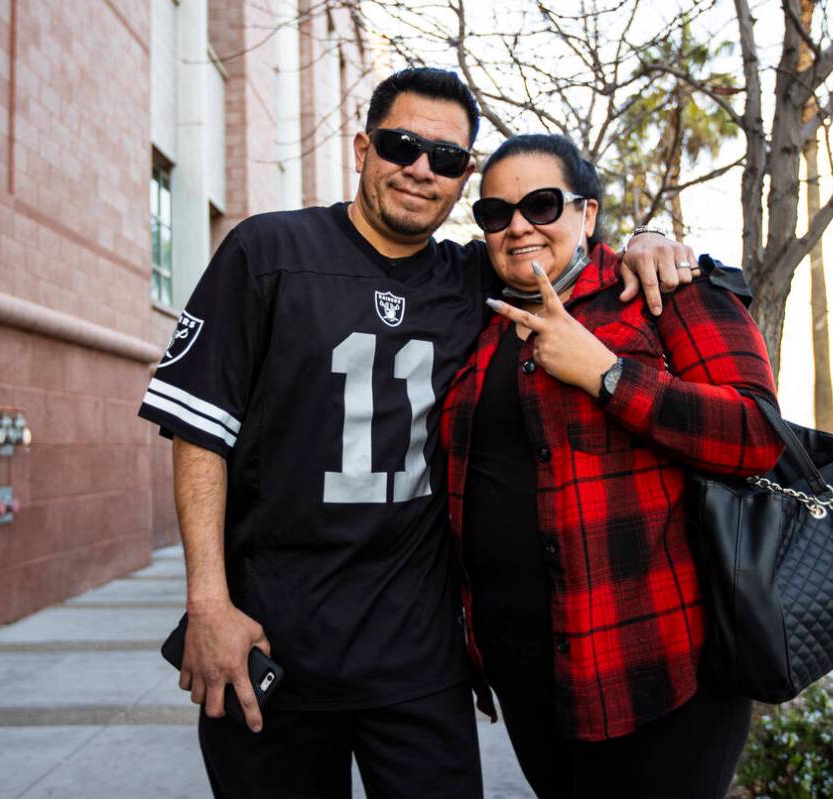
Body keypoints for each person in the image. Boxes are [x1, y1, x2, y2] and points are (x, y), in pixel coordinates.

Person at [136, 69, 693, 798]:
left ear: (464, 178)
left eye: (448, 159)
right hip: (268, 643)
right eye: (401, 145)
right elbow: (199, 432)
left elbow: (559, 246)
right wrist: (208, 603)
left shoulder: (473, 280)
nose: (421, 169)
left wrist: (648, 240)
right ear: (363, 147)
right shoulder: (266, 252)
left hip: (420, 661)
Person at [439, 133, 786, 798]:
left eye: (541, 204)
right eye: (494, 213)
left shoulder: (667, 292)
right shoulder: (476, 322)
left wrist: (607, 373)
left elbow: (756, 434)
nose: (517, 226)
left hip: (653, 665)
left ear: (588, 214)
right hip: (524, 670)